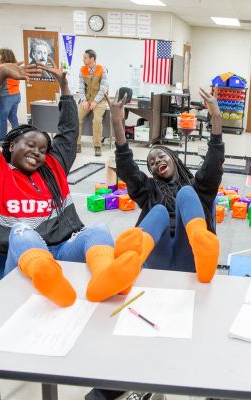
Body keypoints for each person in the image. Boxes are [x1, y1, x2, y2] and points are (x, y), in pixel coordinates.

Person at [0, 62, 140, 305]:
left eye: (43, 149)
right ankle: (46, 274)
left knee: (98, 230)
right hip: (23, 258)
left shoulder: (53, 168)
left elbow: (68, 132)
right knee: (21, 232)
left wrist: (65, 88)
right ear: (12, 145)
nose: (37, 152)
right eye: (30, 145)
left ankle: (104, 277)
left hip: (63, 250)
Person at [85, 89, 223, 400]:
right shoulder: (148, 191)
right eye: (152, 160)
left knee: (187, 197)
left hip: (192, 261)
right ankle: (129, 262)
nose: (157, 160)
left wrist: (215, 119)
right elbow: (126, 167)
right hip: (157, 259)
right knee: (159, 211)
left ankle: (201, 239)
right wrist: (118, 123)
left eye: (162, 155)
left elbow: (213, 164)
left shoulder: (198, 189)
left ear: (174, 159)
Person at [76, 49, 108, 156]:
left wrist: (95, 101)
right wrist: (84, 100)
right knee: (77, 119)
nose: (83, 59)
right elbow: (81, 87)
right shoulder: (82, 69)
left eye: (85, 57)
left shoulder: (102, 69)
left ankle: (97, 146)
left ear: (92, 59)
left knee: (97, 120)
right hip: (86, 100)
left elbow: (104, 88)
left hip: (99, 100)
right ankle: (77, 144)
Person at [0, 48, 21, 144]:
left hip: (6, 96)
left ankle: (1, 140)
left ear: (4, 56)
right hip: (16, 95)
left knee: (2, 119)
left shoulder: (1, 67)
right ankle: (18, 136)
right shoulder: (16, 66)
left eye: (0, 55)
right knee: (13, 117)